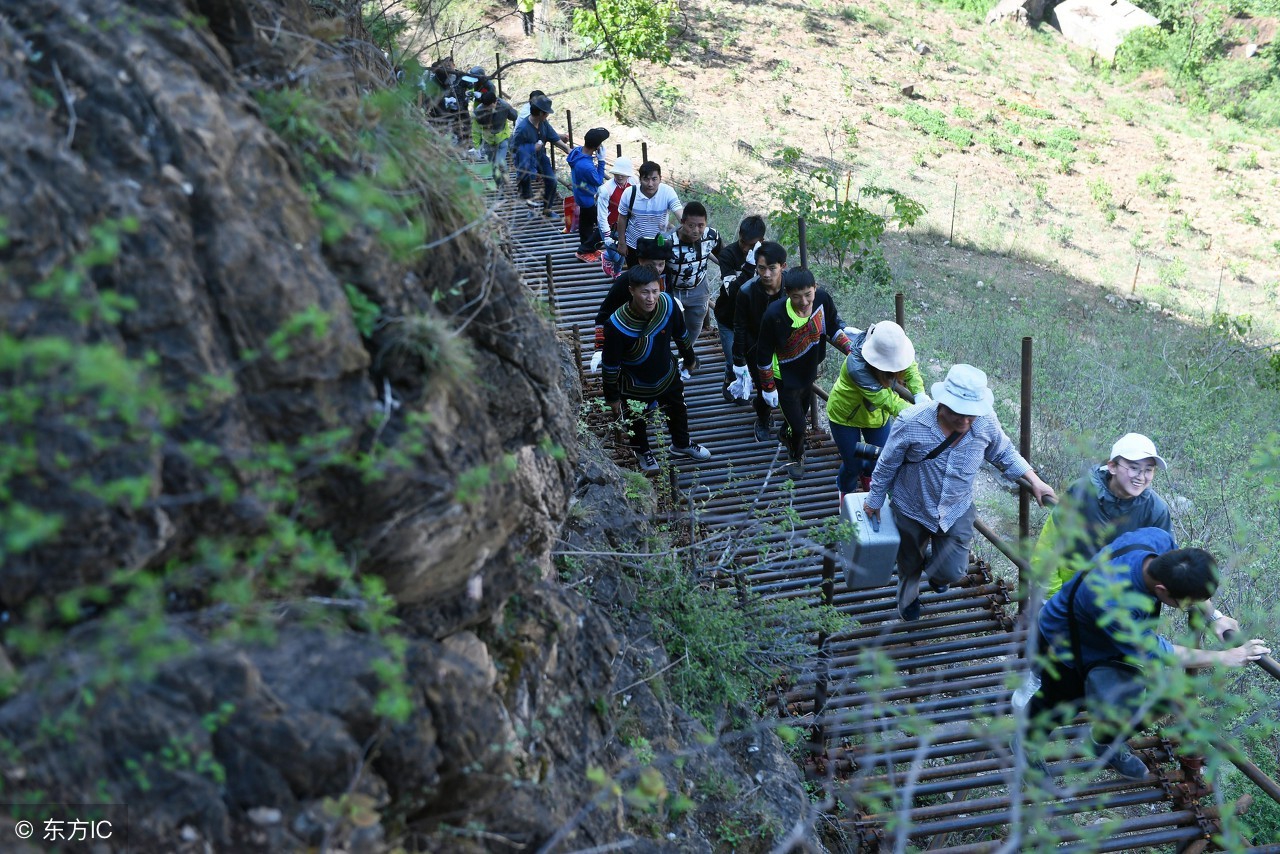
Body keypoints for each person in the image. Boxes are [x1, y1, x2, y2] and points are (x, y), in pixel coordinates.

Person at [1026, 528, 1261, 779]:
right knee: (1059, 703)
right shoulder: (1111, 600)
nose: (1189, 608)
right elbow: (1160, 651)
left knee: (1162, 697)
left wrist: (1214, 617)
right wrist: (1225, 657)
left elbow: (1187, 576)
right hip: (1065, 642)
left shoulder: (1156, 540)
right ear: (1160, 590)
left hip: (1110, 641)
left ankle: (1102, 742)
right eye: (1188, 604)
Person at [864, 364, 1057, 621]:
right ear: (943, 403)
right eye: (959, 413)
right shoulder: (912, 421)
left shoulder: (985, 422)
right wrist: (874, 498)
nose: (966, 421)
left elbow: (1004, 452)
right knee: (909, 562)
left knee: (953, 571)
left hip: (956, 508)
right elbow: (887, 462)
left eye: (971, 415)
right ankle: (907, 597)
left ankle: (936, 568)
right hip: (911, 506)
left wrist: (1034, 480)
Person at [601, 268, 712, 472]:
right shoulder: (616, 324)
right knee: (637, 420)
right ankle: (643, 452)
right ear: (631, 291)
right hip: (635, 383)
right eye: (644, 292)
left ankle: (681, 444)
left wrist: (689, 359)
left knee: (678, 410)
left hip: (667, 373)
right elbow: (610, 365)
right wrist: (613, 397)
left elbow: (681, 335)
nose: (651, 298)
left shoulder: (668, 304)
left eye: (655, 291)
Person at [1036, 433, 1173, 597]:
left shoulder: (1156, 510)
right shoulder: (1082, 492)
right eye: (1134, 468)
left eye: (1148, 470)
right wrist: (1051, 595)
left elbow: (1165, 565)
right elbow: (1049, 543)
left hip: (1116, 605)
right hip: (1066, 593)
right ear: (1112, 466)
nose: (1141, 477)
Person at [755, 269, 853, 478]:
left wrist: (850, 350)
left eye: (808, 294)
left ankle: (786, 432)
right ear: (788, 294)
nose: (804, 302)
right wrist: (768, 386)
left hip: (808, 369)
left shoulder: (823, 300)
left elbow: (833, 326)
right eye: (797, 297)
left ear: (815, 288)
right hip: (784, 376)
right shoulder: (775, 315)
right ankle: (796, 454)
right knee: (799, 425)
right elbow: (763, 353)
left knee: (801, 411)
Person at [827, 321, 926, 498]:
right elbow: (888, 400)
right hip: (845, 417)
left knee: (880, 458)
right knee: (853, 464)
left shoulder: (894, 344)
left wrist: (919, 394)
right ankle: (845, 490)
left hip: (875, 417)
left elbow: (909, 365)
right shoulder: (857, 367)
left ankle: (868, 477)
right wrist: (922, 415)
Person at [732, 242, 788, 442]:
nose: (766, 274)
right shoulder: (747, 291)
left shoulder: (792, 287)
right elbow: (739, 326)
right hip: (757, 347)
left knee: (788, 387)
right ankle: (763, 417)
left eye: (772, 268)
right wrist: (738, 359)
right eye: (761, 268)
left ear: (783, 266)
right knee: (764, 386)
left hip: (786, 347)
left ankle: (790, 424)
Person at [713, 215, 767, 402]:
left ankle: (747, 384)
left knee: (753, 360)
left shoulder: (767, 257)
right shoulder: (728, 255)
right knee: (732, 358)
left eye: (750, 245)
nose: (745, 248)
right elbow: (732, 292)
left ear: (761, 241)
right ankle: (730, 376)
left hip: (752, 320)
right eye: (743, 242)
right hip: (728, 316)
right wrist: (749, 266)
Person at [593, 236, 674, 348]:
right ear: (641, 261)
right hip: (627, 330)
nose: (657, 269)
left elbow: (668, 300)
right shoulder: (626, 281)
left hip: (656, 330)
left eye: (661, 264)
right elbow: (604, 313)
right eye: (652, 264)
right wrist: (600, 346)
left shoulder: (665, 275)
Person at [666, 202, 725, 343]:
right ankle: (665, 355)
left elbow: (723, 256)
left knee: (694, 325)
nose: (696, 230)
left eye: (701, 225)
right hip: (671, 289)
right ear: (682, 222)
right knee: (666, 325)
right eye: (691, 225)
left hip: (698, 288)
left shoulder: (711, 236)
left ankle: (687, 355)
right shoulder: (668, 241)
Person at [610, 161, 682, 267]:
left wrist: (686, 222)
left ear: (660, 178)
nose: (650, 184)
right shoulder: (629, 193)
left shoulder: (667, 192)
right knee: (636, 276)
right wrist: (621, 243)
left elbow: (678, 210)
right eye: (646, 179)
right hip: (634, 245)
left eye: (654, 179)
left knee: (658, 278)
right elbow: (622, 218)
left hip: (659, 245)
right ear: (640, 179)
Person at [511, 94, 570, 215]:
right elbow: (514, 148)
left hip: (540, 157)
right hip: (526, 160)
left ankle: (547, 209)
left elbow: (553, 137)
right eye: (547, 113)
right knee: (526, 181)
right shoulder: (522, 128)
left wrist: (568, 149)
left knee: (552, 180)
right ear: (540, 113)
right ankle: (531, 209)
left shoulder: (544, 123)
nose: (548, 115)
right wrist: (532, 147)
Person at [568, 127, 610, 262]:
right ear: (597, 146)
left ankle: (588, 249)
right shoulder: (586, 166)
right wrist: (602, 160)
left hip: (580, 195)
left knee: (585, 223)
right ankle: (583, 250)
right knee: (605, 226)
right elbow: (598, 180)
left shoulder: (577, 151)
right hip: (588, 199)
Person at [471, 91, 518, 188]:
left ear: (495, 101)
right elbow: (475, 130)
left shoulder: (504, 106)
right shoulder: (478, 112)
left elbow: (514, 116)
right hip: (488, 141)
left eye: (490, 106)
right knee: (493, 166)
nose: (487, 109)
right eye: (485, 106)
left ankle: (507, 181)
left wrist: (509, 109)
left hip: (502, 138)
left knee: (500, 162)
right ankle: (499, 185)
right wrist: (476, 146)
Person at [597, 157, 636, 248]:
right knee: (616, 258)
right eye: (617, 173)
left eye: (623, 173)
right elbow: (602, 214)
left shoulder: (634, 182)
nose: (619, 176)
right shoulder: (605, 189)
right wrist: (607, 235)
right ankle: (606, 257)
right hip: (610, 226)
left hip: (629, 225)